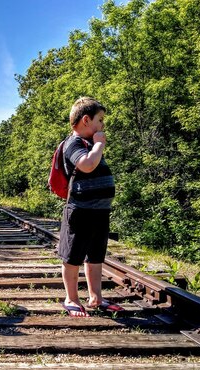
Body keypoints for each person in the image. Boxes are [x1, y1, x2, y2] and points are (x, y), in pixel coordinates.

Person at [58, 97, 123, 317]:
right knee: (72, 256)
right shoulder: (74, 144)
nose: (103, 125)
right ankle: (71, 298)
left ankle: (96, 297)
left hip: (100, 211)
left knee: (95, 256)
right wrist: (99, 145)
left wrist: (97, 146)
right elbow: (86, 165)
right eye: (100, 120)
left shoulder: (89, 145)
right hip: (80, 210)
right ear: (86, 120)